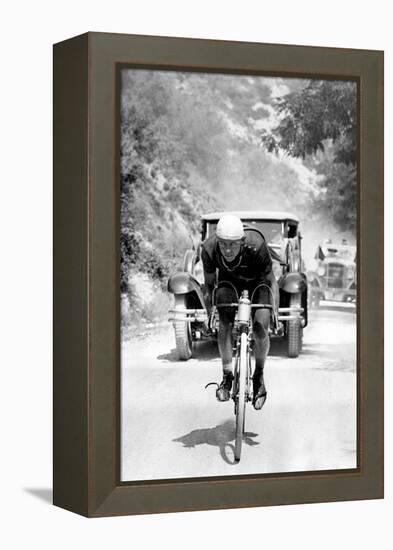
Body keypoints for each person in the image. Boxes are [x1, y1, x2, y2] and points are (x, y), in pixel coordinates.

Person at [201, 214, 279, 410]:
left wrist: (274, 312)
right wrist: (211, 312)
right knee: (224, 322)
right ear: (217, 241)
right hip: (229, 282)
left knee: (261, 328)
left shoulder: (257, 245)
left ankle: (259, 376)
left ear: (242, 242)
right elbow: (209, 285)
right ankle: (227, 376)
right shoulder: (209, 249)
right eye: (223, 244)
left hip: (258, 283)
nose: (227, 250)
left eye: (233, 245)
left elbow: (271, 281)